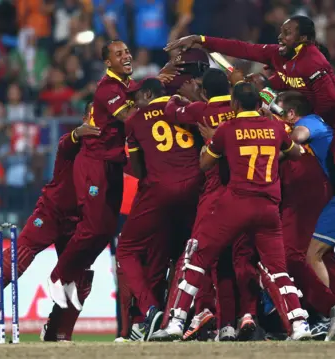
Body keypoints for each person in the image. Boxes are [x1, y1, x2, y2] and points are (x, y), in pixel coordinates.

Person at [165, 16, 335, 243]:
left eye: (287, 32)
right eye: (281, 31)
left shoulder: (313, 61)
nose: (281, 36)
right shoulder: (279, 56)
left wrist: (287, 98)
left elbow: (329, 103)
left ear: (304, 39)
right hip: (319, 122)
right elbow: (243, 49)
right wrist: (201, 40)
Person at [150, 82, 310, 342]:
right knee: (277, 268)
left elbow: (205, 163)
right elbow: (295, 153)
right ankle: (300, 324)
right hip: (268, 208)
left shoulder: (227, 129)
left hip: (235, 203)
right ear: (259, 104)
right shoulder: (275, 128)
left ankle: (177, 322)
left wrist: (210, 144)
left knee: (199, 258)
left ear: (235, 104)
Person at [0, 104, 101, 342]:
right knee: (17, 259)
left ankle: (56, 333)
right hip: (52, 212)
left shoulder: (111, 152)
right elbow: (66, 143)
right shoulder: (72, 142)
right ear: (84, 118)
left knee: (80, 278)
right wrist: (78, 133)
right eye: (94, 116)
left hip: (81, 220)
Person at [47, 40, 139, 310]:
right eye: (119, 54)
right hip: (94, 165)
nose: (127, 55)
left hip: (113, 166)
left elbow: (143, 91)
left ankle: (72, 276)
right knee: (91, 228)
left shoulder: (126, 87)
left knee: (106, 231)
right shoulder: (107, 89)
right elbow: (131, 118)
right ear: (108, 62)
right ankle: (57, 276)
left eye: (127, 51)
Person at [163, 68, 247, 341]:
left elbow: (170, 112)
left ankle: (189, 315)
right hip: (242, 190)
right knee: (231, 262)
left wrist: (181, 99)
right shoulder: (240, 110)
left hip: (212, 192)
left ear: (204, 91)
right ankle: (231, 324)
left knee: (198, 255)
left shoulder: (200, 110)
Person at [116, 78, 203, 340]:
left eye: (136, 97)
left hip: (159, 189)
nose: (133, 103)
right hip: (196, 187)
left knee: (126, 249)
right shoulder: (188, 107)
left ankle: (150, 311)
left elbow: (139, 170)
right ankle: (180, 318)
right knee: (185, 253)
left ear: (148, 94)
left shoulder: (135, 120)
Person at [277, 91, 335, 341]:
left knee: (292, 256)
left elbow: (295, 141)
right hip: (327, 192)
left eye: (281, 112)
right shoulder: (314, 124)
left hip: (314, 192)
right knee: (323, 257)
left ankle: (330, 312)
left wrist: (270, 152)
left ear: (292, 113)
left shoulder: (306, 124)